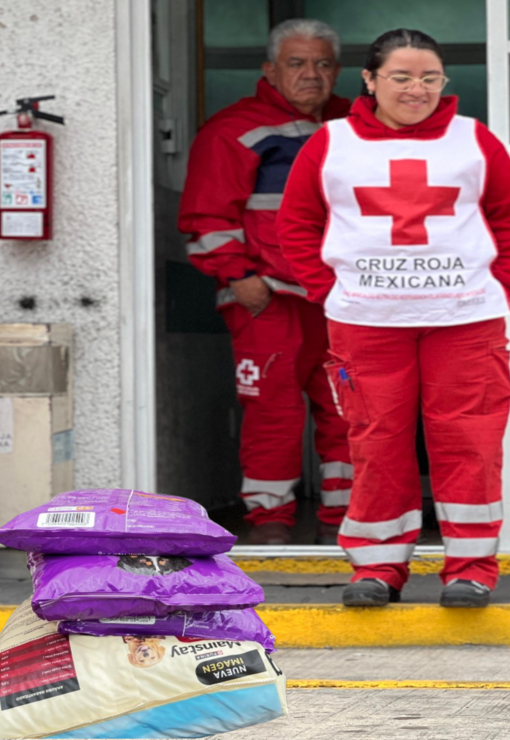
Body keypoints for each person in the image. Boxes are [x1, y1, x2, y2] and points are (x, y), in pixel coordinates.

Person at [277, 29, 510, 608]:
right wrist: (329, 291)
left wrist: (502, 283)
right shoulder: (332, 142)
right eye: (401, 76)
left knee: (469, 439)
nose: (417, 89)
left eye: (430, 77)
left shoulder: (474, 140)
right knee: (375, 440)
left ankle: (470, 568)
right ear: (369, 80)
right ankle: (377, 568)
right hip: (366, 322)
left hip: (465, 318)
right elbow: (295, 224)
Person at [178, 19, 352, 545]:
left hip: (342, 297)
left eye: (322, 64)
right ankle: (270, 519)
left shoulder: (356, 124)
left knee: (349, 409)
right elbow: (206, 219)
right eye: (297, 64)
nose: (311, 75)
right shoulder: (232, 129)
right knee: (271, 410)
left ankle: (350, 518)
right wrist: (241, 278)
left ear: (338, 71)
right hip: (268, 298)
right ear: (270, 70)